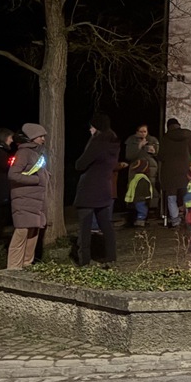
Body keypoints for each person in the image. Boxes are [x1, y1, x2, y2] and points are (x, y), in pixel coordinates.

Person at [73, 113, 119, 267]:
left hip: (89, 189)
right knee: (106, 225)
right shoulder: (113, 141)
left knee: (84, 227)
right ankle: (111, 256)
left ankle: (84, 261)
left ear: (97, 127)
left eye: (92, 127)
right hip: (104, 187)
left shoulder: (97, 142)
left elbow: (80, 164)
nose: (90, 130)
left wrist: (91, 140)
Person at [6, 123, 50, 270]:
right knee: (21, 233)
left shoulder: (36, 153)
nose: (43, 139)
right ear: (32, 137)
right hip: (24, 200)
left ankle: (26, 265)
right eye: (41, 136)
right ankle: (13, 268)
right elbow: (13, 175)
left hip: (35, 201)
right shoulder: (23, 153)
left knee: (33, 233)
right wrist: (37, 180)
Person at [157, 118, 191, 228]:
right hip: (186, 170)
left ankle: (175, 221)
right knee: (187, 196)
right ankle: (189, 219)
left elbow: (161, 156)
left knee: (171, 197)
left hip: (169, 171)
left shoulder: (165, 138)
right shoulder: (188, 136)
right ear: (179, 125)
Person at [122, 123, 158, 228]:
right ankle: (139, 216)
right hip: (136, 171)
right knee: (137, 194)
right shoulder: (132, 141)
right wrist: (139, 147)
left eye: (145, 131)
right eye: (141, 132)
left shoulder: (152, 140)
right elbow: (129, 156)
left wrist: (154, 151)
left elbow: (157, 154)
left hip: (150, 171)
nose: (143, 134)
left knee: (149, 193)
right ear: (137, 132)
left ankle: (146, 215)